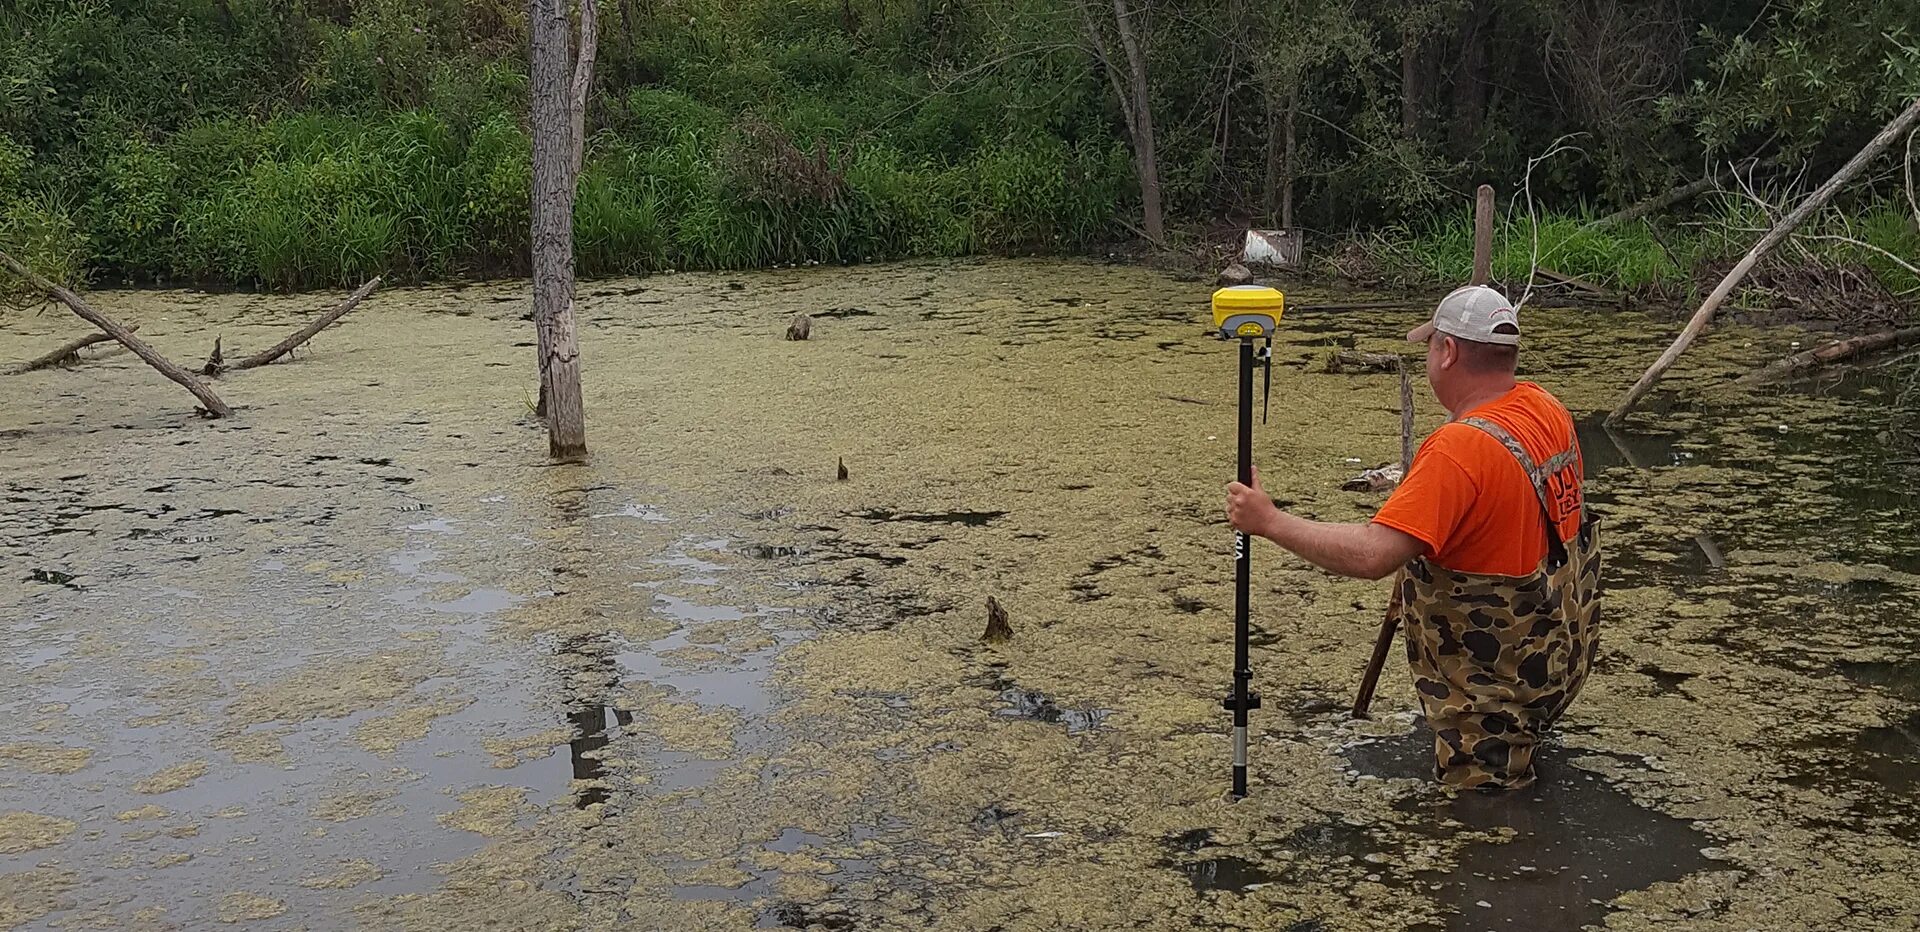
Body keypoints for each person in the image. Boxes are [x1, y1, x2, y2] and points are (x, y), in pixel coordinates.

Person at [1225, 285, 1600, 789]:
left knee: (1482, 826)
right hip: (1556, 658)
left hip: (1492, 690)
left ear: (1448, 352)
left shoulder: (1458, 451)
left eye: (1430, 345)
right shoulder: (1543, 408)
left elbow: (1373, 555)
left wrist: (1268, 521)